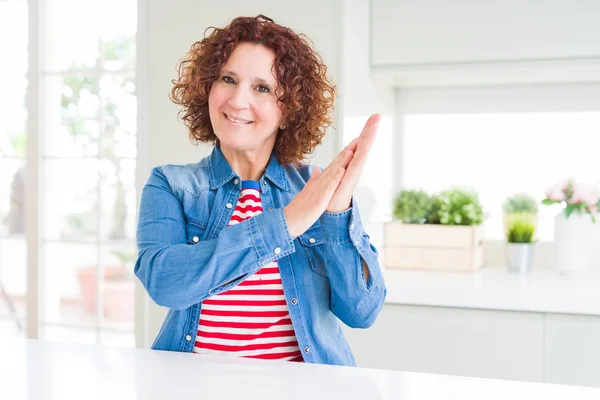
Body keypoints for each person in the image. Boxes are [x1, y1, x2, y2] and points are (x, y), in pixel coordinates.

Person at [135, 14, 386, 366]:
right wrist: (285, 223)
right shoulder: (171, 184)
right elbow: (165, 283)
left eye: (262, 88)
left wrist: (337, 212)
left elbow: (362, 311)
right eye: (228, 79)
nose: (237, 100)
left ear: (289, 110)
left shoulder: (318, 190)